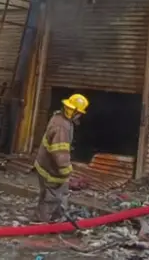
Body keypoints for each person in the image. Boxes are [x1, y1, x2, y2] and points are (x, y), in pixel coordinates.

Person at [34, 93, 88, 223]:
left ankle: (57, 218)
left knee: (59, 194)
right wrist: (66, 170)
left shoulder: (59, 117)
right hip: (51, 169)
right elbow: (60, 152)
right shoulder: (62, 127)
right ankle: (43, 223)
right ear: (73, 111)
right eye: (79, 113)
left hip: (46, 165)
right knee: (51, 197)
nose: (80, 116)